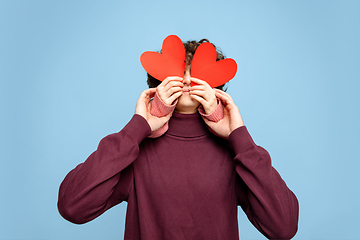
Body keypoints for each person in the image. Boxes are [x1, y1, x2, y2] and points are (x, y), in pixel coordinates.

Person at [58, 38, 299, 240]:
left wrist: (240, 138)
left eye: (196, 72)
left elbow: (284, 227)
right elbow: (72, 206)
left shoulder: (235, 154)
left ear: (216, 84)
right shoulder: (135, 150)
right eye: (177, 71)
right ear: (158, 82)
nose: (185, 80)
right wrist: (136, 128)